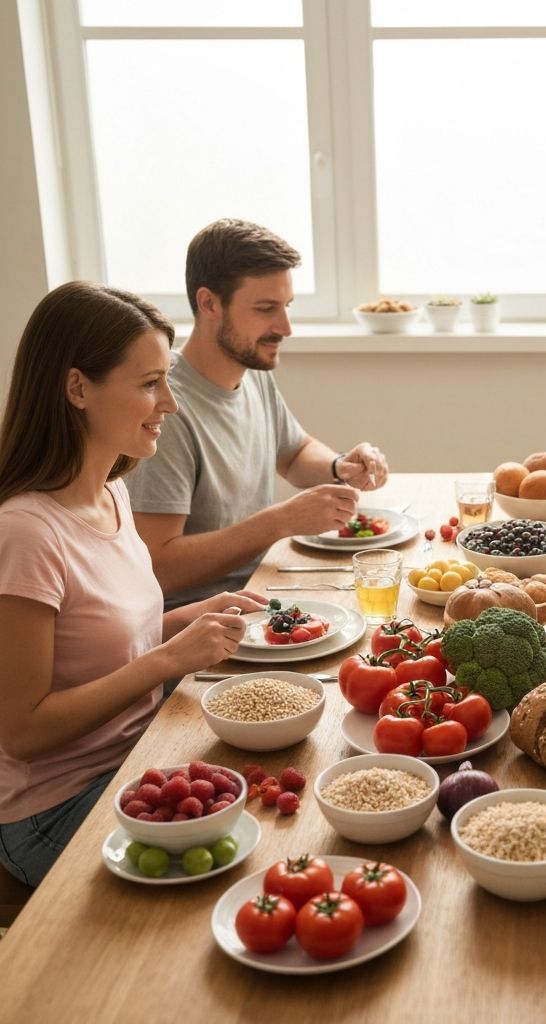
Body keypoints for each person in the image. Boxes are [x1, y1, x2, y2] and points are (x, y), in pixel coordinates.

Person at [0, 282, 265, 886]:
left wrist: (194, 616)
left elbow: (107, 641)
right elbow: (23, 730)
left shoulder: (113, 491)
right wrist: (170, 657)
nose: (170, 403)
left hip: (138, 756)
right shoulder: (24, 533)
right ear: (77, 388)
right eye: (150, 384)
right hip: (54, 805)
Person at [126, 218, 389, 608]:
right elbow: (158, 568)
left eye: (286, 307)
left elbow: (294, 453)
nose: (285, 327)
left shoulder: (251, 373)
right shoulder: (166, 408)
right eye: (266, 308)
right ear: (209, 303)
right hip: (204, 622)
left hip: (264, 588)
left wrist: (340, 465)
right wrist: (279, 522)